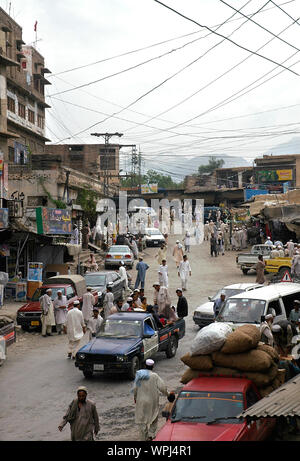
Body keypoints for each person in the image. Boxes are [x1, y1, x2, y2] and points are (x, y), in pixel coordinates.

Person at [133, 359, 168, 441]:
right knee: (154, 417)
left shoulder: (139, 374)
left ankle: (143, 438)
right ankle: (151, 435)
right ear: (153, 366)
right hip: (152, 401)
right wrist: (168, 394)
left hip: (141, 401)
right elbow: (162, 387)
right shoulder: (155, 376)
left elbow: (135, 388)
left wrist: (135, 398)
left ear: (145, 366)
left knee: (142, 421)